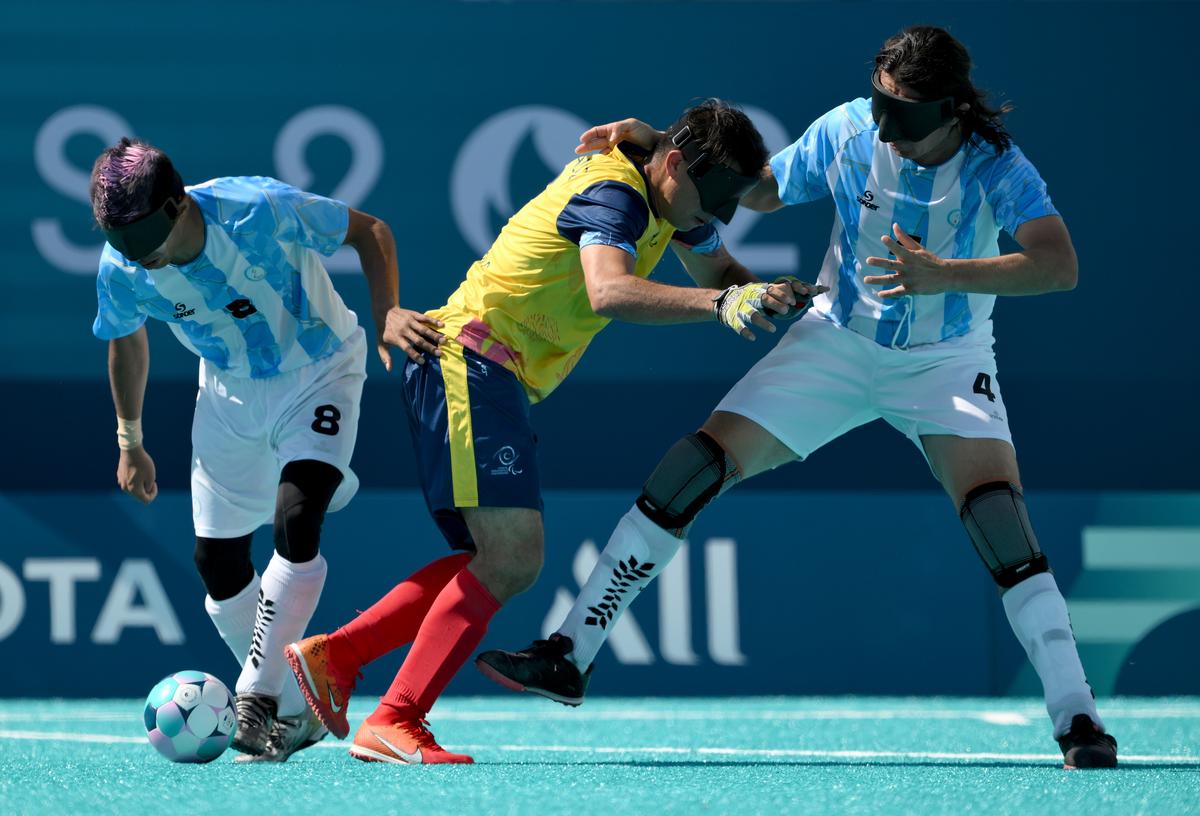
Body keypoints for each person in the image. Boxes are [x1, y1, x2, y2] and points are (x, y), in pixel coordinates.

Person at [476, 25, 1119, 770]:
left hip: (946, 360)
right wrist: (658, 145)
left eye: (902, 114)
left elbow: (1056, 264)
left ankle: (1078, 720)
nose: (882, 126)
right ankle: (570, 652)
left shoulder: (995, 165)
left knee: (999, 519)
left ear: (949, 108)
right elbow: (757, 190)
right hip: (835, 341)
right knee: (692, 467)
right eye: (879, 104)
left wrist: (945, 274)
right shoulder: (848, 130)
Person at [285, 99, 821, 764]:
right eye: (712, 199)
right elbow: (610, 291)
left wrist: (762, 293)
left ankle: (337, 657)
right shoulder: (616, 196)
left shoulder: (670, 191)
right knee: (512, 559)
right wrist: (722, 304)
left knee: (489, 562)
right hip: (471, 362)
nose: (716, 217)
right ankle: (394, 716)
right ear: (676, 165)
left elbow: (721, 274)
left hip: (489, 375)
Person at [90, 138, 430, 760]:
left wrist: (386, 312)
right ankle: (297, 709)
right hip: (227, 393)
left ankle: (256, 697)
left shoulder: (257, 209)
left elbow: (371, 231)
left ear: (174, 207)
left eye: (139, 241)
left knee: (298, 516)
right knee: (216, 565)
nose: (135, 260)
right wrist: (129, 439)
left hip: (321, 368)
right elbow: (126, 338)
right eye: (118, 243)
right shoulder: (122, 265)